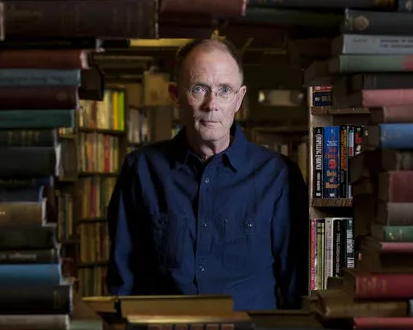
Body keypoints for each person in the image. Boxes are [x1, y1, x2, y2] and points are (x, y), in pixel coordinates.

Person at [106, 38, 308, 310]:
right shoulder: (141, 170)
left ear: (239, 99)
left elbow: (297, 287)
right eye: (200, 89)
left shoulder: (278, 176)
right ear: (176, 95)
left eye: (225, 90)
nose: (212, 104)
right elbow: (124, 280)